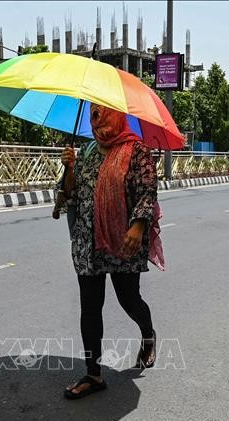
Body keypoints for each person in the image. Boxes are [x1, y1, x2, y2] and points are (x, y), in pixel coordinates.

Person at [61, 103, 163, 400]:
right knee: (90, 307)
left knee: (128, 300)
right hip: (87, 241)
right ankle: (93, 374)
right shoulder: (88, 151)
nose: (97, 120)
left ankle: (147, 332)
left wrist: (138, 226)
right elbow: (70, 193)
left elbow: (147, 190)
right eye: (93, 115)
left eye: (102, 114)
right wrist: (69, 169)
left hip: (125, 239)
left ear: (117, 116)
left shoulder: (137, 151)